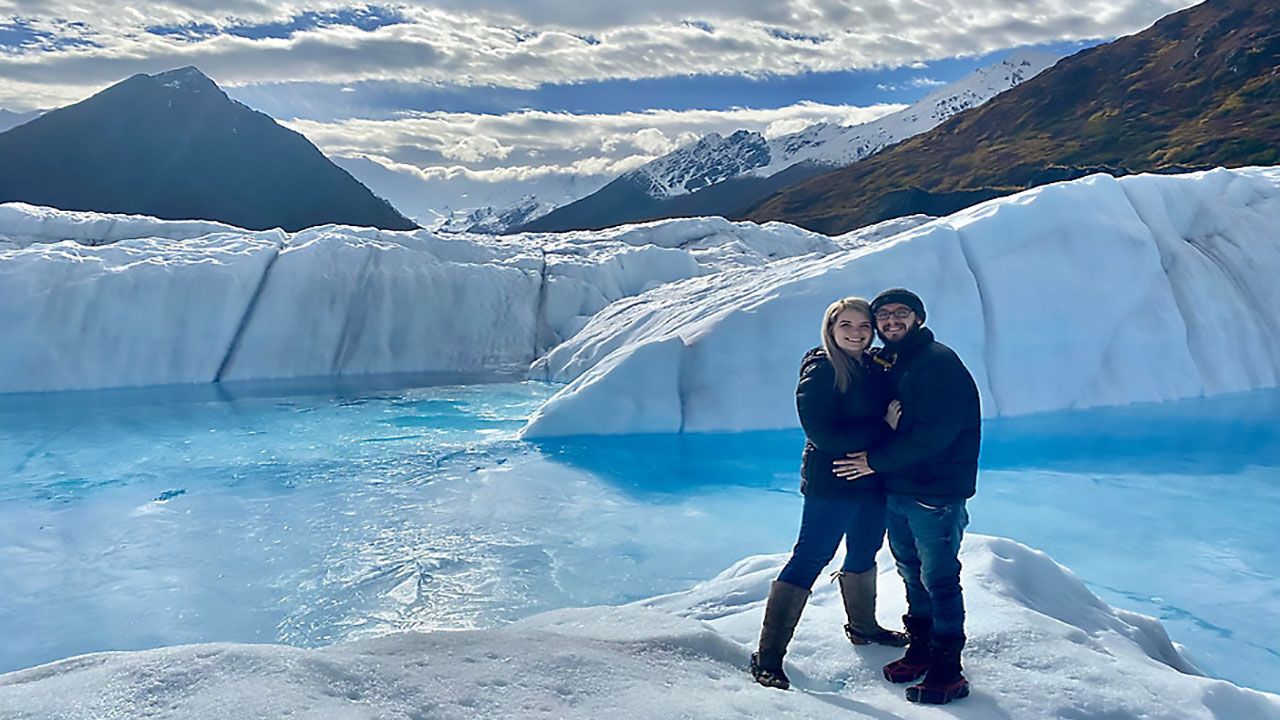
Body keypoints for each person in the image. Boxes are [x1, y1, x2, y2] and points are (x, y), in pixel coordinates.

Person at [750, 297, 908, 691]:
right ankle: (767, 658)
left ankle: (863, 627)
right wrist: (883, 429)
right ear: (831, 329)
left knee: (865, 550)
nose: (856, 333)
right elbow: (824, 436)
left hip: (872, 479)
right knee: (811, 557)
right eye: (846, 326)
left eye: (863, 327)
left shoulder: (871, 364)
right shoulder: (822, 369)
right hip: (834, 481)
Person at [833, 288, 981, 705]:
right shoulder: (899, 361)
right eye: (884, 315)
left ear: (918, 317)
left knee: (939, 579)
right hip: (902, 486)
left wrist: (874, 461)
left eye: (901, 313)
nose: (891, 321)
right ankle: (922, 649)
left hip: (934, 491)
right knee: (912, 572)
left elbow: (936, 433)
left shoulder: (937, 362)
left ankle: (948, 670)